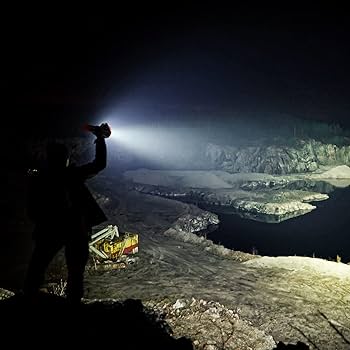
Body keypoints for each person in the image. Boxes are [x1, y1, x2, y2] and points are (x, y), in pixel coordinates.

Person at [24, 123, 111, 303]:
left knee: (37, 267)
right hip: (75, 229)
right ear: (65, 158)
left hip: (49, 229)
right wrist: (100, 139)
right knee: (75, 272)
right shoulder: (71, 175)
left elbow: (32, 209)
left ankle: (28, 300)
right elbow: (99, 164)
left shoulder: (40, 179)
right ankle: (73, 307)